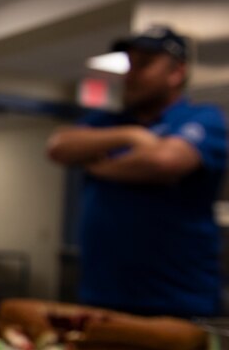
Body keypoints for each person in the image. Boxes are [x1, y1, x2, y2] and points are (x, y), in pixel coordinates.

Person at [47, 25, 227, 319]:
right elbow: (58, 146)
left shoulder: (203, 118)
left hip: (177, 304)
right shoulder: (109, 120)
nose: (130, 75)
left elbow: (165, 162)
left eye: (143, 65)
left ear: (176, 73)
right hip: (101, 297)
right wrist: (132, 136)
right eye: (129, 64)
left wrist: (99, 165)